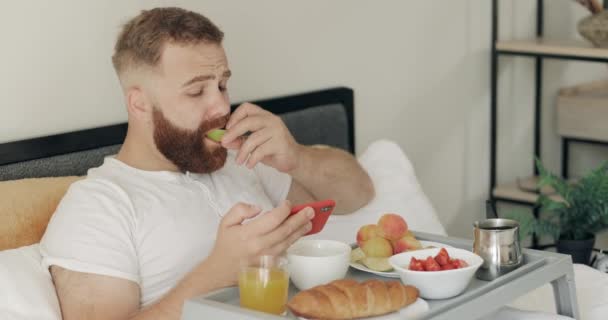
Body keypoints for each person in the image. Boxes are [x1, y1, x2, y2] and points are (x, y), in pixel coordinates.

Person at [40, 7, 374, 320]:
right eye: (197, 91)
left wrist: (297, 156)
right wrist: (218, 271)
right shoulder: (100, 205)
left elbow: (359, 193)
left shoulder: (240, 159)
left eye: (223, 85)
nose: (221, 107)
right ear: (140, 104)